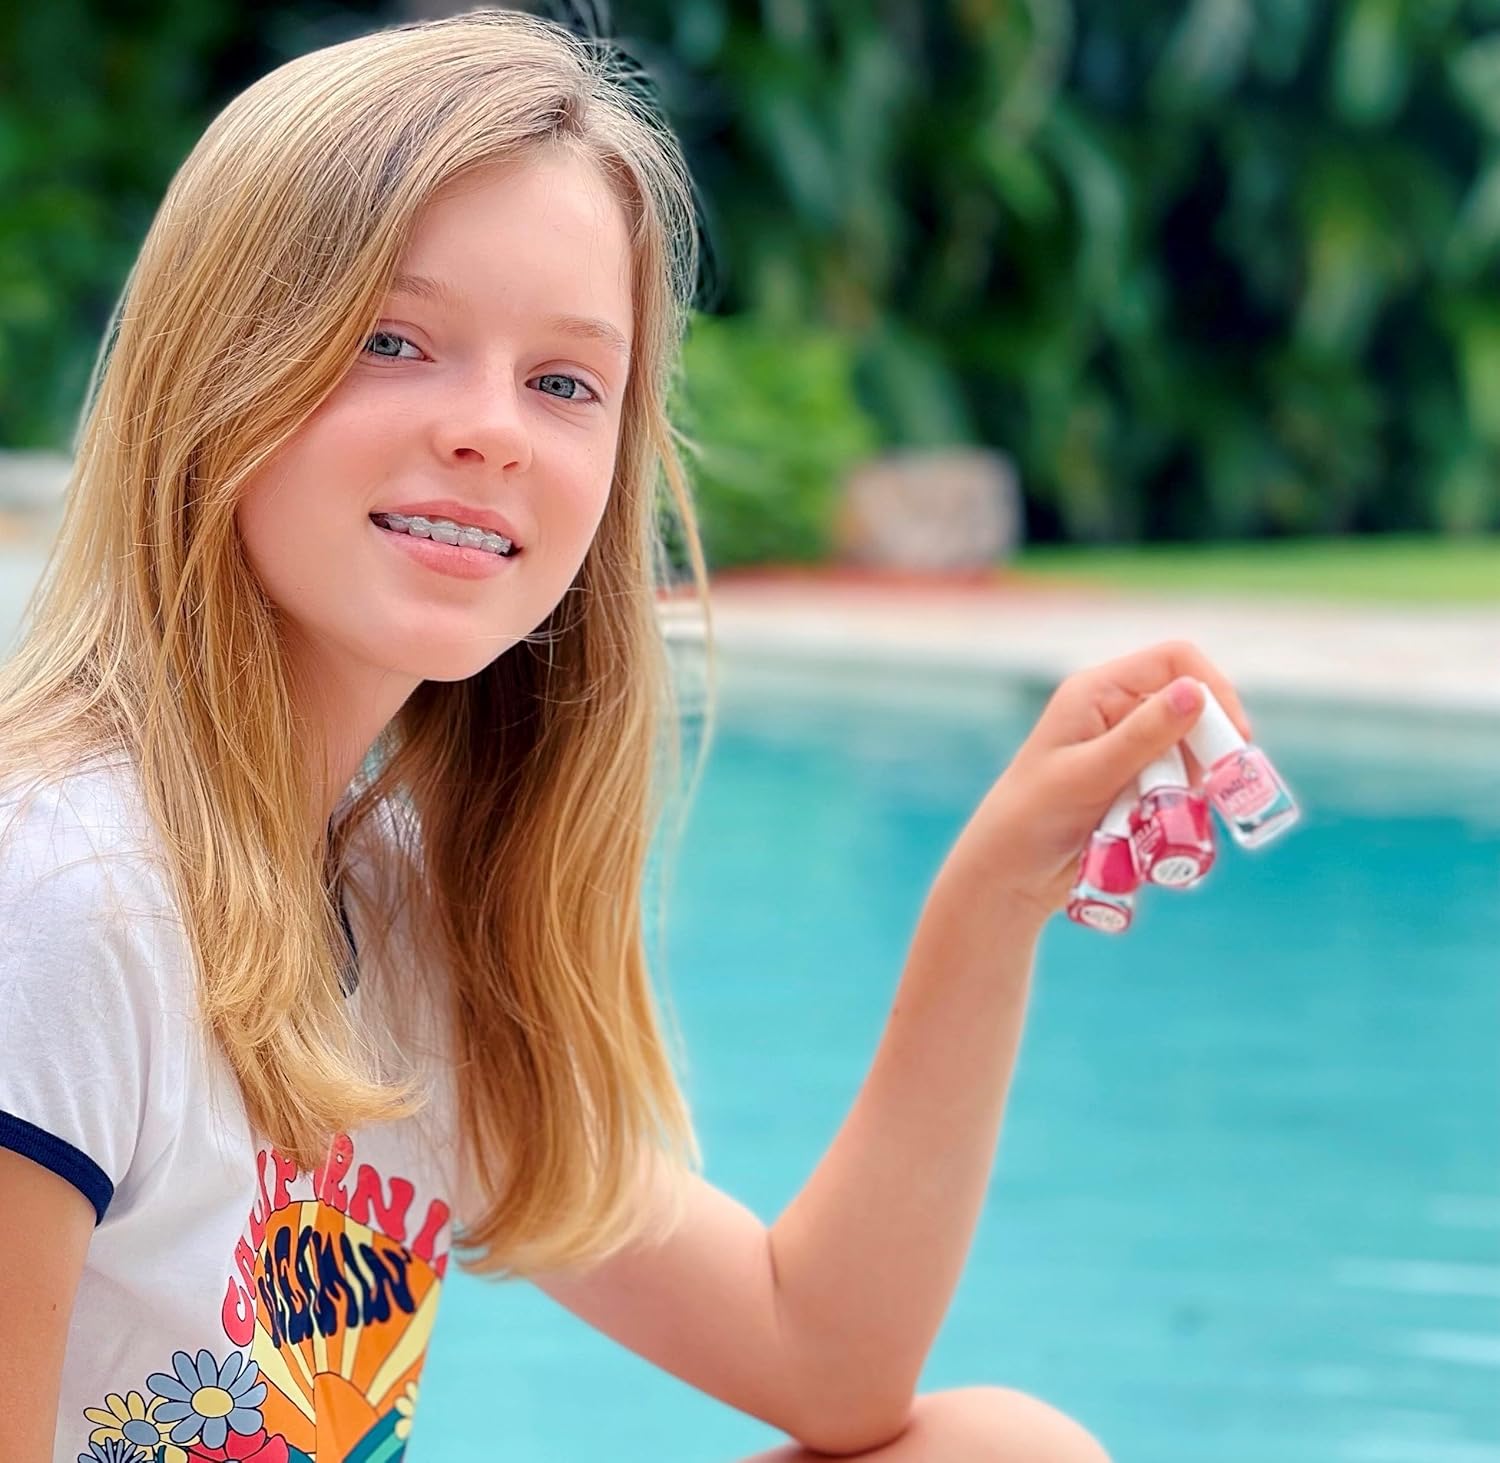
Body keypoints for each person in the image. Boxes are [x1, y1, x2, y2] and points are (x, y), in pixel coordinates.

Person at [0, 9, 1253, 1462]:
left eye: (563, 382)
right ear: (213, 369)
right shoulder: (65, 898)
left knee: (1001, 1451)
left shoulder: (387, 909)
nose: (492, 430)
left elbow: (821, 1356)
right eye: (393, 340)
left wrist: (994, 897)